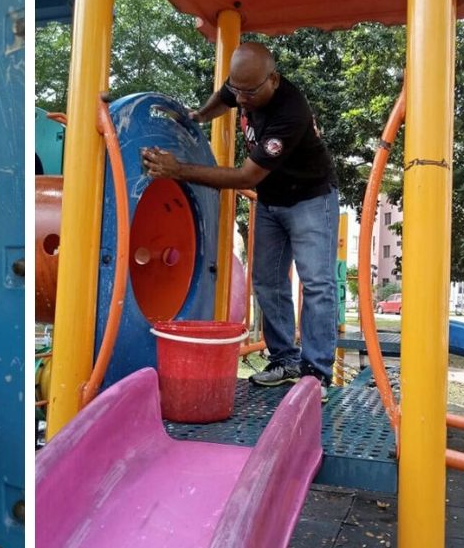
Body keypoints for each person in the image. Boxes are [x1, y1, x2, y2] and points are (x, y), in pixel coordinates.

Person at [142, 41, 339, 400]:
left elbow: (246, 178)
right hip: (272, 200)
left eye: (250, 92)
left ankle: (316, 374)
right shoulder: (243, 86)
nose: (242, 100)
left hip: (310, 198)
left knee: (317, 284)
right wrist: (201, 115)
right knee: (266, 281)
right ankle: (284, 361)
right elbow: (225, 96)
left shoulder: (289, 112)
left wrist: (178, 170)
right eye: (238, 90)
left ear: (273, 80)